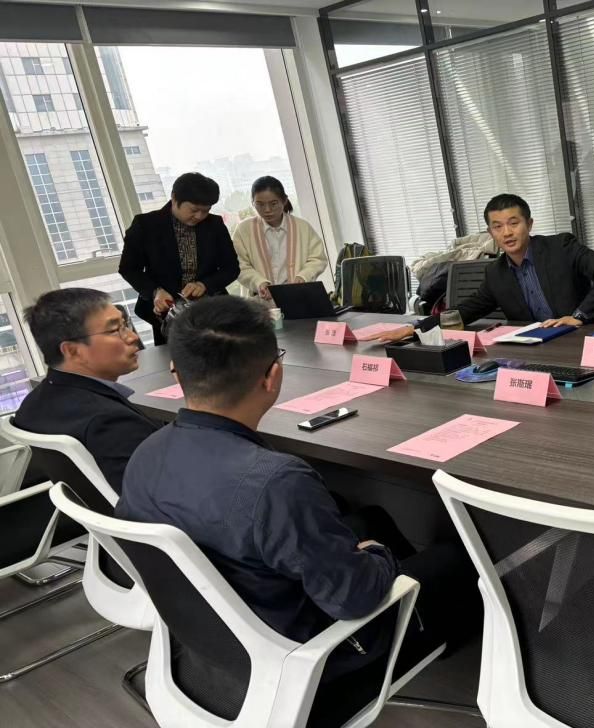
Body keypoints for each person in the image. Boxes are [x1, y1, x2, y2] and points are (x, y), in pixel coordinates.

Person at [115, 297, 478, 709]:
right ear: (273, 376)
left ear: (176, 372)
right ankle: (435, 642)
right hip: (312, 668)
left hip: (219, 646)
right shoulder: (276, 482)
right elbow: (355, 599)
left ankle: (424, 619)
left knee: (371, 519)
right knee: (456, 557)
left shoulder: (145, 453)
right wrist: (376, 556)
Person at [368, 193, 594, 342]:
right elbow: (466, 311)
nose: (507, 233)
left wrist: (579, 315)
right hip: (543, 346)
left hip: (588, 337)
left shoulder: (560, 247)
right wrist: (414, 329)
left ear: (529, 224)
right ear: (490, 232)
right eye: (498, 226)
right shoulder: (496, 273)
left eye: (514, 223)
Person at [13, 288, 158, 492]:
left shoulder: (32, 404)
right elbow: (159, 497)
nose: (133, 337)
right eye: (115, 330)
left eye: (125, 325)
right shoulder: (110, 423)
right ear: (73, 350)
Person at [118, 172, 239, 345]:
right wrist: (155, 291)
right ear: (175, 198)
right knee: (173, 357)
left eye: (205, 211)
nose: (199, 216)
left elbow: (231, 268)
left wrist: (204, 285)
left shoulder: (214, 224)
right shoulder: (146, 225)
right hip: (166, 313)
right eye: (194, 210)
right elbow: (129, 268)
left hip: (210, 310)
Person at [232, 176, 328, 302]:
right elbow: (239, 265)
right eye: (260, 204)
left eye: (273, 204)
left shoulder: (302, 227)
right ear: (252, 203)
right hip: (260, 301)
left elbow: (318, 258)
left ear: (284, 200)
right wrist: (259, 282)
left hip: (298, 297)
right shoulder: (244, 230)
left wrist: (303, 276)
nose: (267, 210)